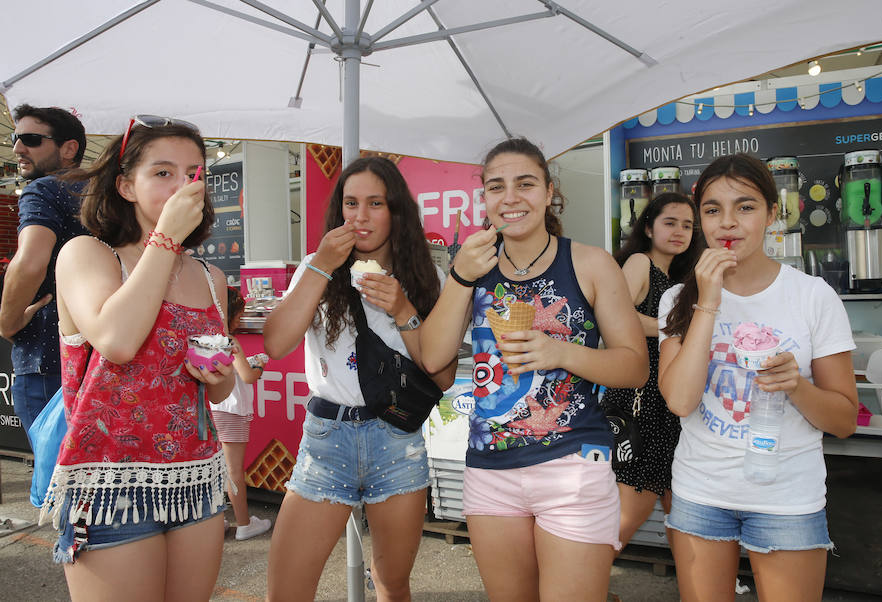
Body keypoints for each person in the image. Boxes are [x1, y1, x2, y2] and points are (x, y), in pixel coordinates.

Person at [419, 137, 649, 601]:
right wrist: (460, 275)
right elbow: (433, 357)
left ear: (548, 192)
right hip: (489, 470)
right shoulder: (473, 268)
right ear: (484, 198)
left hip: (573, 465)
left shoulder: (590, 263)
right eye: (496, 187)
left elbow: (635, 366)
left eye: (525, 184)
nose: (511, 197)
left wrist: (560, 352)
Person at [47, 116, 234, 601]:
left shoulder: (210, 277)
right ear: (126, 185)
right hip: (108, 484)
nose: (182, 185)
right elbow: (117, 340)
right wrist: (165, 239)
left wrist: (218, 374)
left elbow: (219, 390)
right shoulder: (87, 254)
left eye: (193, 173)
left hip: (195, 480)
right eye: (163, 172)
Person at [657, 154, 858, 601]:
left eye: (745, 207)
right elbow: (681, 402)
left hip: (788, 498)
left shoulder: (813, 296)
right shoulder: (678, 298)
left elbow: (845, 420)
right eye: (713, 210)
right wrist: (708, 301)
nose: (727, 223)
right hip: (700, 491)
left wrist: (796, 385)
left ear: (772, 213)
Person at [264, 156, 456, 601]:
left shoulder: (428, 276)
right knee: (287, 590)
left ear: (396, 211)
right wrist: (321, 266)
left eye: (376, 203)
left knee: (392, 586)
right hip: (327, 440)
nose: (361, 217)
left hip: (397, 441)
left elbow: (443, 375)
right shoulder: (316, 266)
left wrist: (404, 310)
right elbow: (275, 344)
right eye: (351, 204)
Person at [601, 192, 702, 549]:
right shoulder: (640, 262)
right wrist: (673, 330)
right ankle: (580, 575)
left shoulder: (678, 278)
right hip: (638, 402)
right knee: (630, 510)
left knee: (682, 507)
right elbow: (616, 317)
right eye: (669, 223)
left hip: (668, 403)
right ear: (648, 228)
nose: (679, 232)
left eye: (687, 225)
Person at [0, 104, 87, 433]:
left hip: (46, 355)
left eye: (32, 139)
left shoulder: (44, 189)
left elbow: (30, 262)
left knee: (52, 463)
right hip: (100, 356)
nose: (18, 148)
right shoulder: (109, 194)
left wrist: (7, 322)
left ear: (69, 148)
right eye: (15, 138)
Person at [212, 286, 271, 541]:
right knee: (234, 470)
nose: (240, 320)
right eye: (238, 315)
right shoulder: (229, 341)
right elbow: (247, 376)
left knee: (217, 468)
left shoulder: (206, 338)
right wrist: (259, 366)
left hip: (214, 410)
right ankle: (244, 524)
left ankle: (217, 520)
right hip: (232, 411)